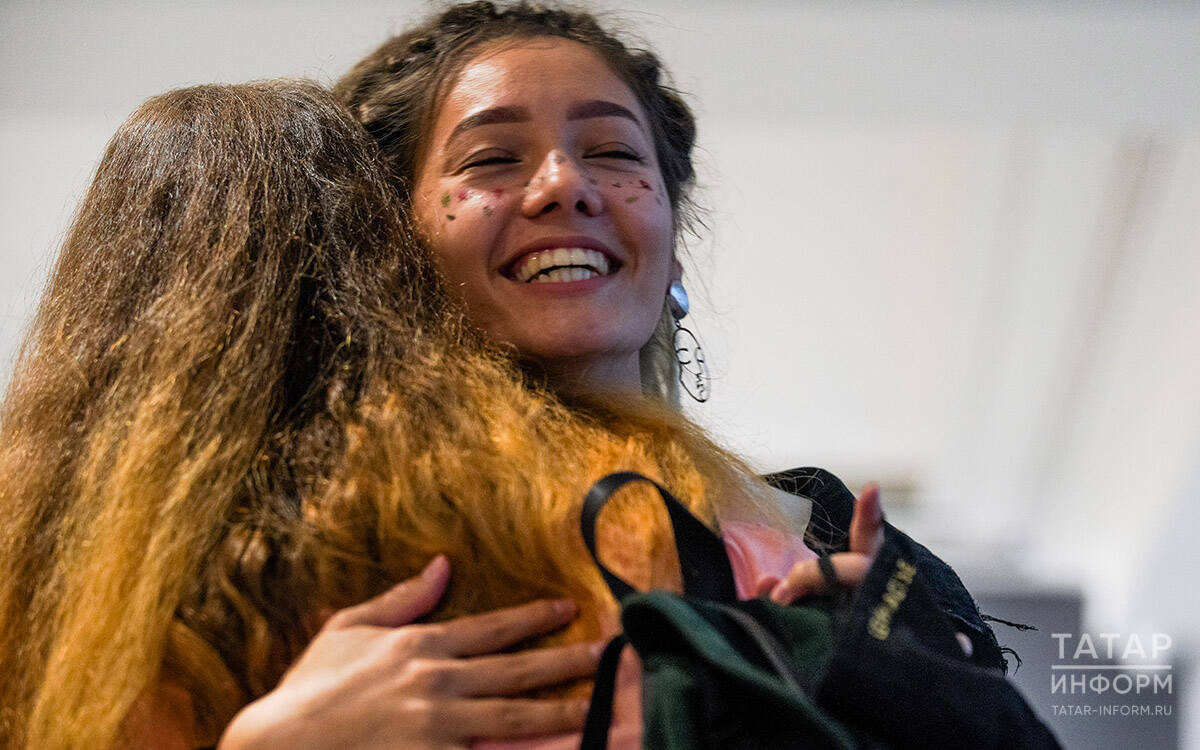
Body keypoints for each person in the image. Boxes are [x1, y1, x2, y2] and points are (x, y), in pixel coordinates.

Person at [0, 79, 876, 750]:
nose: (563, 187)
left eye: (613, 149)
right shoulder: (463, 527)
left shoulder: (738, 530)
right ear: (398, 253)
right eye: (491, 159)